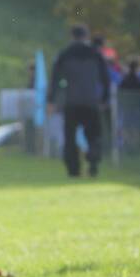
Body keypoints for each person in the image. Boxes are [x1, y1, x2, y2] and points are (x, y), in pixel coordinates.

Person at [48, 24, 110, 178]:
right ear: (86, 36)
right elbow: (106, 79)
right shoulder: (95, 54)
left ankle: (73, 169)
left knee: (70, 137)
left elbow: (55, 79)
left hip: (71, 102)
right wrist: (104, 98)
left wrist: (51, 100)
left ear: (72, 36)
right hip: (91, 102)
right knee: (94, 135)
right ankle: (93, 160)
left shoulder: (65, 54)